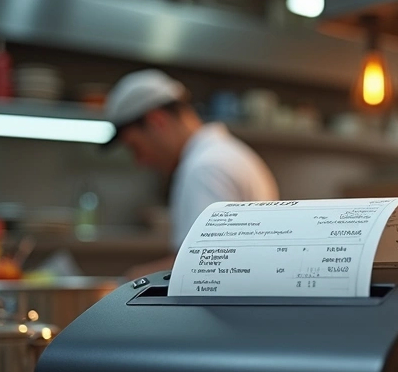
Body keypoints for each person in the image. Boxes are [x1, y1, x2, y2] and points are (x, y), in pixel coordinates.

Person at [106, 70, 279, 279]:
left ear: (156, 121)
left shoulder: (205, 169)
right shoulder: (223, 153)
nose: (140, 161)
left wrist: (132, 280)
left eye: (135, 147)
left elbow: (205, 265)